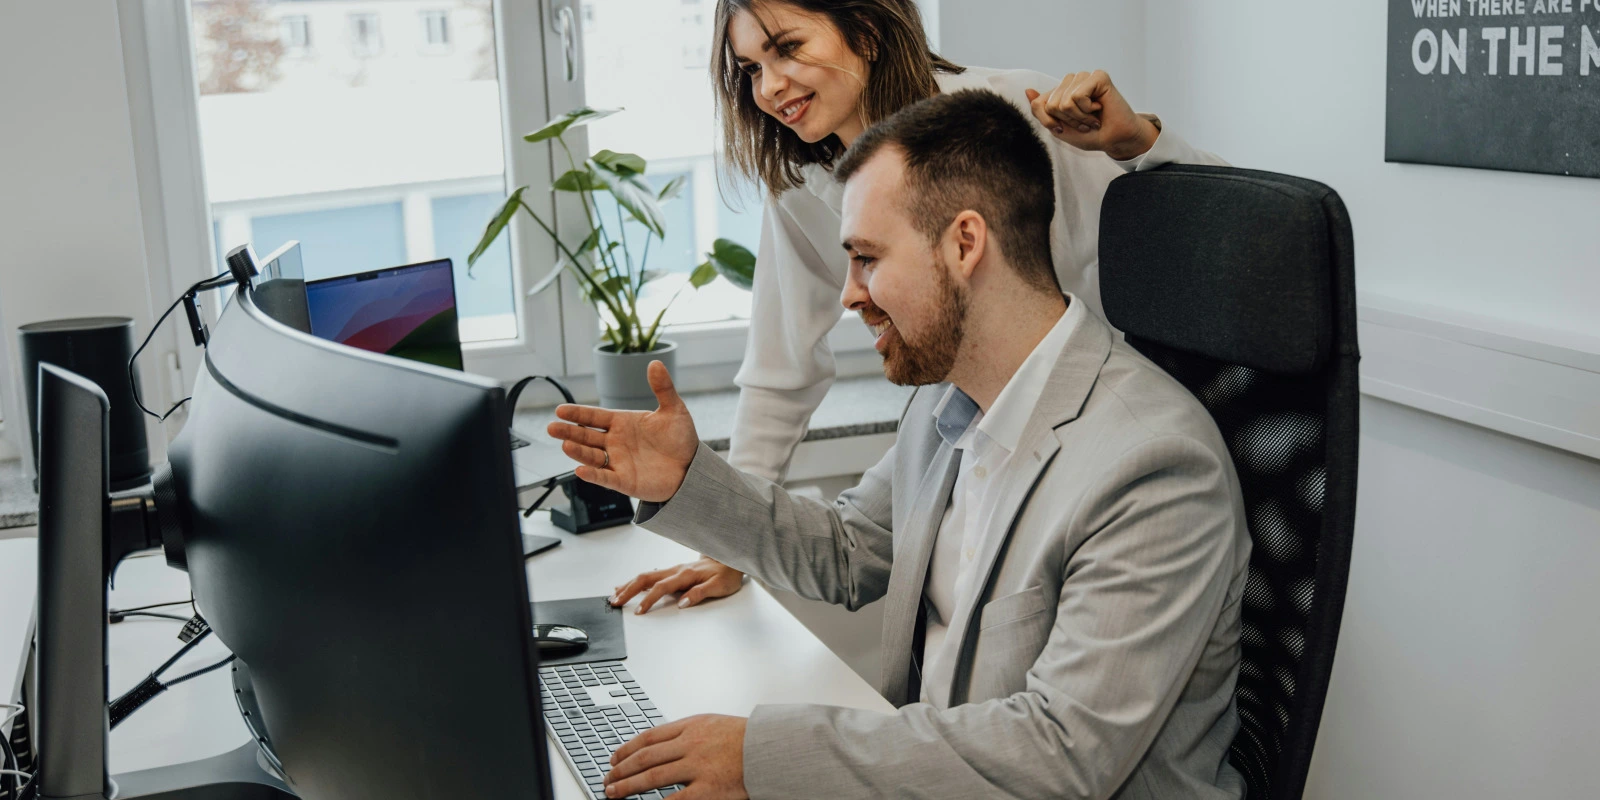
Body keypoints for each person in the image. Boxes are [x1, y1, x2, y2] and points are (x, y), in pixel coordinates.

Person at [549, 90, 1251, 799]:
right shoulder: (948, 402)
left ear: (965, 244)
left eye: (867, 258)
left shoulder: (1152, 465)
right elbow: (849, 551)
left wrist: (763, 756)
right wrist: (685, 481)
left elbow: (1062, 753)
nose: (851, 295)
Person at [610, 0, 1229, 614]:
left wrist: (1134, 141)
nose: (769, 88)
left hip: (1094, 434)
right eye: (749, 68)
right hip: (972, 415)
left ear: (869, 32)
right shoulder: (803, 178)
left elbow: (1227, 239)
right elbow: (783, 366)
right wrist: (726, 548)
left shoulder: (1009, 118)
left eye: (787, 48)